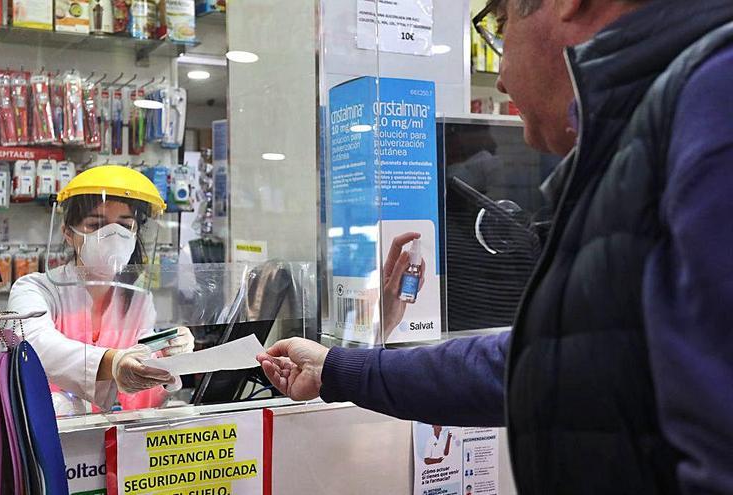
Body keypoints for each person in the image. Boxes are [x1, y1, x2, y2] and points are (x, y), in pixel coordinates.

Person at [258, 0, 733, 492]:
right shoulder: (657, 127)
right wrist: (336, 368)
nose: (501, 77)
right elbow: (543, 363)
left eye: (501, 30)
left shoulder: (716, 98)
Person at [8, 165, 195, 415]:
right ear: (68, 233)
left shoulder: (139, 299)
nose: (113, 235)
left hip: (124, 438)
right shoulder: (35, 289)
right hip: (54, 435)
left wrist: (170, 351)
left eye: (124, 225)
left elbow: (144, 364)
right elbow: (35, 345)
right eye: (96, 225)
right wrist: (113, 362)